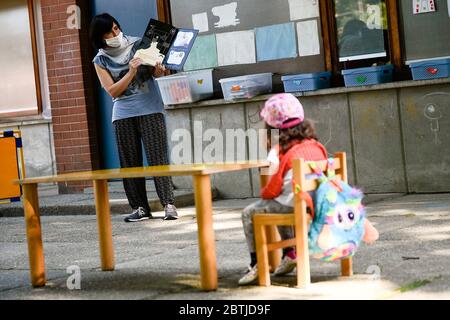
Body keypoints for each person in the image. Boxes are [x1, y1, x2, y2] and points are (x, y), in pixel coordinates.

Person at [239, 93, 379, 286]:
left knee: (251, 212)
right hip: (317, 203)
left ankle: (257, 263)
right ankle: (290, 253)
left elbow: (272, 188)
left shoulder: (280, 151)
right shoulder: (316, 146)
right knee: (281, 202)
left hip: (297, 203)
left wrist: (265, 190)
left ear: (271, 127)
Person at [89, 13, 178, 222]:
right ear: (100, 38)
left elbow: (155, 75)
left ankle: (169, 204)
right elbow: (112, 91)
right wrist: (130, 72)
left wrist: (158, 69)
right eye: (109, 32)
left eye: (116, 28)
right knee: (130, 163)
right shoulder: (100, 60)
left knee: (158, 159)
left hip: (150, 109)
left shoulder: (140, 44)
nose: (115, 34)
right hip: (122, 114)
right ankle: (140, 208)